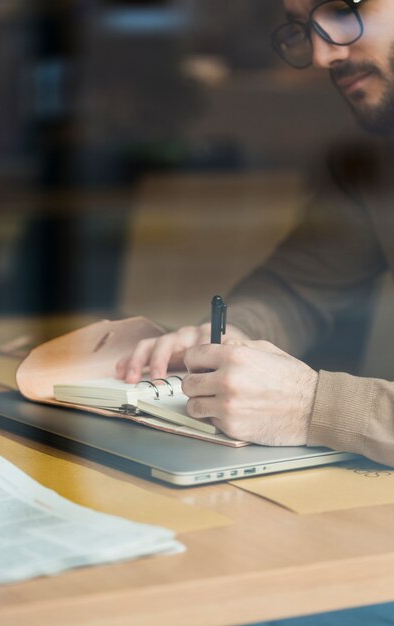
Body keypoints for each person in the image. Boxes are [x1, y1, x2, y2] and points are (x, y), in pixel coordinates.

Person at [116, 0, 394, 468]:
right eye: (304, 28)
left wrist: (314, 408)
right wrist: (227, 337)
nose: (323, 56)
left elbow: (315, 404)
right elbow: (299, 289)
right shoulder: (375, 158)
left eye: (345, 10)